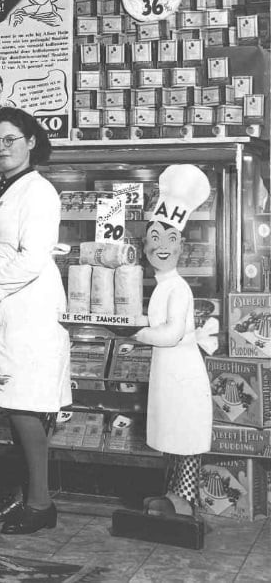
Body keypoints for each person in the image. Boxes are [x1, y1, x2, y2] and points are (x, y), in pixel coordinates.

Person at [0, 107, 70, 535]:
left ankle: (41, 504)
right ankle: (19, 496)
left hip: (30, 309)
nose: (1, 146)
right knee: (7, 405)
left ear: (30, 141)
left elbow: (33, 257)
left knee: (26, 406)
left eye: (10, 139)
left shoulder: (40, 192)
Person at [134, 165, 214, 516]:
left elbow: (172, 334)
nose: (161, 246)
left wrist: (138, 334)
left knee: (185, 437)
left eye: (169, 240)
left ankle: (184, 501)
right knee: (173, 436)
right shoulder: (163, 285)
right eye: (154, 238)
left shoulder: (178, 287)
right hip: (169, 373)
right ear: (143, 245)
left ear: (182, 245)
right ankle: (173, 496)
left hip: (182, 373)